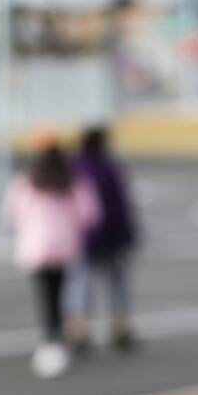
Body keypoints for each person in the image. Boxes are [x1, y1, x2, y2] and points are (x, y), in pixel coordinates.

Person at [3, 137, 99, 379]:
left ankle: (50, 338)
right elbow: (90, 214)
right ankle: (63, 335)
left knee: (46, 296)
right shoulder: (73, 181)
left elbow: (12, 212)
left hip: (36, 248)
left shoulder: (27, 181)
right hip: (65, 247)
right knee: (64, 292)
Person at [66, 126, 139, 351]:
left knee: (81, 281)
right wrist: (128, 233)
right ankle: (121, 326)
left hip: (83, 234)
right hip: (110, 234)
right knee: (116, 281)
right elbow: (120, 205)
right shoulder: (109, 167)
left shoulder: (75, 167)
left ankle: (79, 327)